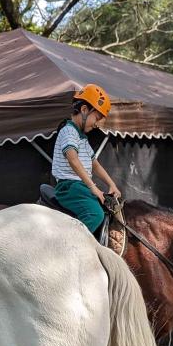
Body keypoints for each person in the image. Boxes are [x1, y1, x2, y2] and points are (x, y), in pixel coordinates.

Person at [50, 84, 121, 234]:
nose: (97, 124)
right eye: (97, 117)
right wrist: (93, 187)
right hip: (69, 187)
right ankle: (69, 247)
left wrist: (112, 184)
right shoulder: (69, 132)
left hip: (80, 186)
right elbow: (73, 160)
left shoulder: (82, 138)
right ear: (84, 110)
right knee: (95, 214)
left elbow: (95, 164)